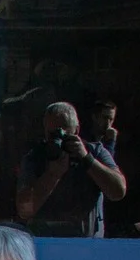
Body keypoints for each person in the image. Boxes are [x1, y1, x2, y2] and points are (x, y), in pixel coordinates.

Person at [14, 102, 125, 238]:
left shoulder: (95, 151)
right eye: (52, 134)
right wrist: (52, 174)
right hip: (46, 242)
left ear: (76, 131)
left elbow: (118, 191)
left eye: (62, 132)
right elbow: (24, 210)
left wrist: (87, 160)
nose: (57, 139)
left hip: (86, 244)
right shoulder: (35, 157)